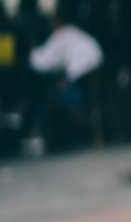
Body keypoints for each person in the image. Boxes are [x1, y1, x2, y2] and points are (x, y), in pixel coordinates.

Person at [23, 8, 104, 155]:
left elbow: (40, 62)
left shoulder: (61, 36)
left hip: (78, 92)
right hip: (93, 91)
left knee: (42, 93)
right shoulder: (77, 35)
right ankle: (37, 132)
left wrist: (29, 50)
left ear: (57, 21)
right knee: (47, 90)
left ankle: (36, 133)